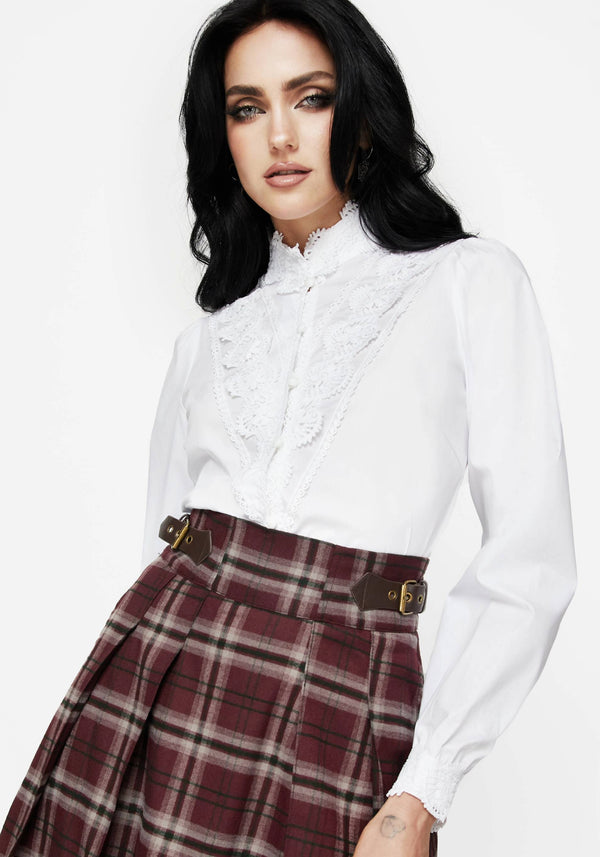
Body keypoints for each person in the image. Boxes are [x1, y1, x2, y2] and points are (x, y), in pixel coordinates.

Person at [0, 0, 576, 855]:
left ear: (364, 115)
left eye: (311, 98)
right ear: (222, 137)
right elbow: (164, 540)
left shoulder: (470, 283)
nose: (279, 135)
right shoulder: (210, 335)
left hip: (345, 689)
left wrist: (424, 789)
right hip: (160, 664)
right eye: (246, 108)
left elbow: (531, 560)